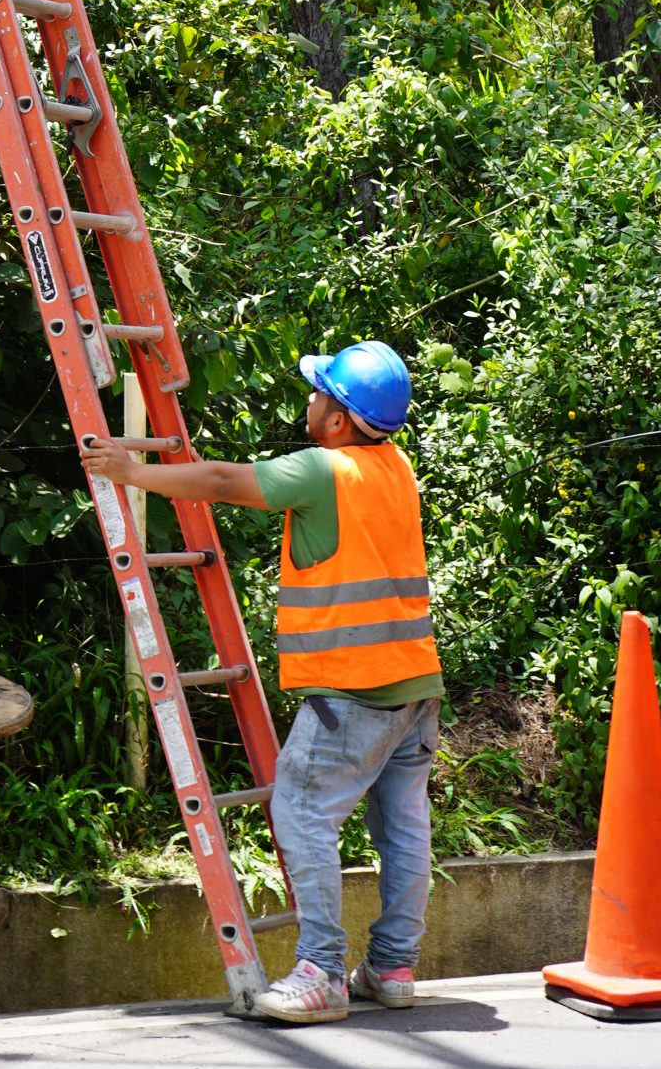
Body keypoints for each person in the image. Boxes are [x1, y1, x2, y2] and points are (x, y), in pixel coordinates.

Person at [81, 340, 440, 1026]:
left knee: (302, 814)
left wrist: (131, 471)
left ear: (338, 419)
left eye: (317, 393)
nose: (308, 400)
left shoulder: (323, 470)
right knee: (402, 830)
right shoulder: (395, 469)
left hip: (352, 692)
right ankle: (392, 967)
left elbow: (219, 481)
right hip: (414, 687)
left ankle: (321, 974)